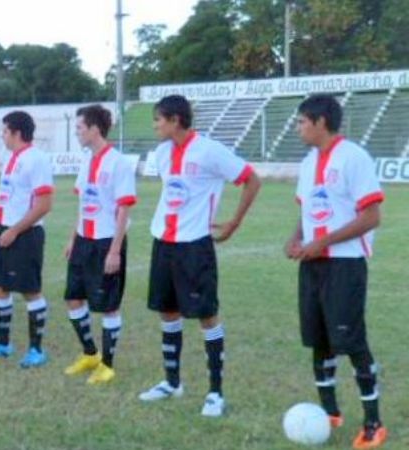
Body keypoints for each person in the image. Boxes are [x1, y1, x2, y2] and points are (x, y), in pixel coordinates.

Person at [138, 95, 261, 418]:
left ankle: (216, 393)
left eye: (158, 119)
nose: (155, 126)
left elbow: (251, 179)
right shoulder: (162, 153)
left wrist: (234, 221)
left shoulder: (209, 150)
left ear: (176, 120)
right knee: (167, 311)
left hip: (194, 245)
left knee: (206, 314)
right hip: (163, 242)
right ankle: (171, 382)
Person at [285, 94, 387, 448]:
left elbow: (372, 216)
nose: (298, 127)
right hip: (313, 265)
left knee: (352, 342)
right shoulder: (307, 162)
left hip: (344, 265)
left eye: (301, 121)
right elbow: (308, 210)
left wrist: (322, 240)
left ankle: (373, 422)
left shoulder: (353, 157)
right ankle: (329, 412)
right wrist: (297, 237)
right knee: (319, 339)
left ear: (320, 122)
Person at [0, 111, 54, 368]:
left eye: (5, 131)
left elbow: (44, 204)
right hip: (3, 230)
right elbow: (12, 197)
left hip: (24, 234)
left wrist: (15, 230)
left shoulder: (36, 159)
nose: (2, 135)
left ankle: (36, 350)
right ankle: (3, 344)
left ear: (17, 133)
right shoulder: (11, 158)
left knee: (30, 290)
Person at [61, 105, 137, 385]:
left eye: (79, 127)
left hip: (106, 241)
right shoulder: (86, 160)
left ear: (94, 129)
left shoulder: (118, 163)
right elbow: (84, 204)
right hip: (84, 240)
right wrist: (73, 237)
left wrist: (115, 250)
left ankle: (107, 364)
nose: (76, 131)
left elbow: (124, 209)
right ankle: (90, 353)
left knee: (108, 305)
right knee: (73, 297)